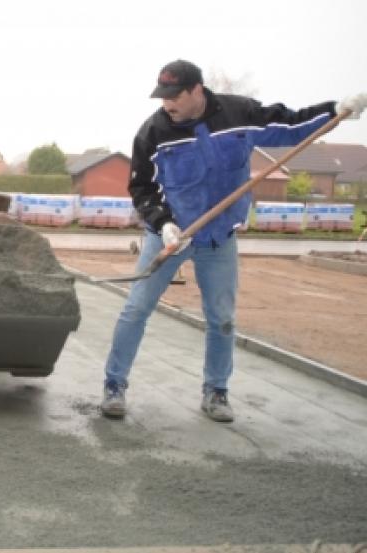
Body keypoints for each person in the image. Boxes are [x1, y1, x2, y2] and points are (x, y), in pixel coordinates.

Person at [100, 59, 367, 423]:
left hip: (218, 236)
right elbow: (141, 187)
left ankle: (216, 392)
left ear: (197, 90)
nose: (167, 105)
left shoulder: (239, 113)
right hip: (169, 236)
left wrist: (335, 110)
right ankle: (114, 385)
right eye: (162, 97)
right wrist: (163, 223)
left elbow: (291, 124)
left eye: (174, 96)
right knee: (135, 309)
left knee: (222, 318)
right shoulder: (154, 132)